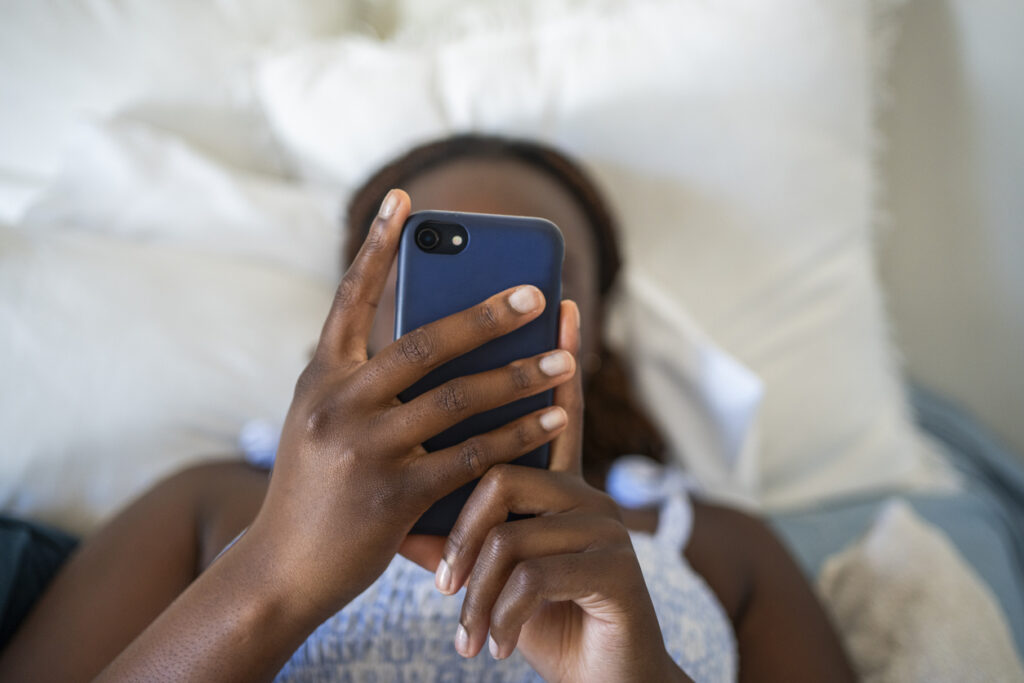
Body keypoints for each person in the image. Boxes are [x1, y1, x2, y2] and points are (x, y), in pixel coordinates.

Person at [0, 135, 854, 682]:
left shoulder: (718, 541)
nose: (474, 319)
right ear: (356, 312)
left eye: (529, 289)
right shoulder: (210, 501)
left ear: (589, 336)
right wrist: (273, 576)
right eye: (425, 275)